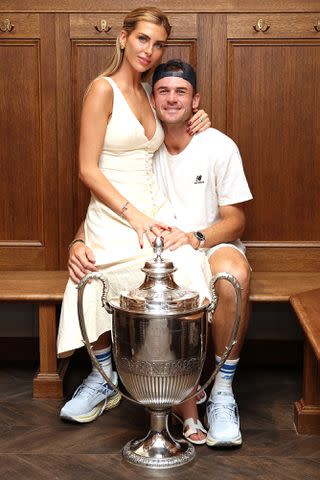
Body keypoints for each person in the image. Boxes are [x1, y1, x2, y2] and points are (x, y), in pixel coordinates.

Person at [67, 59, 253, 448]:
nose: (172, 99)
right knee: (93, 270)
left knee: (231, 276)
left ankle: (220, 393)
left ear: (196, 99)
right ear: (151, 100)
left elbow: (236, 220)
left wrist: (195, 238)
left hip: (206, 242)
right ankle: (115, 381)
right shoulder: (140, 150)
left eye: (181, 92)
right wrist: (78, 242)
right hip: (152, 247)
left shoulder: (218, 144)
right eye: (164, 91)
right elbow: (104, 204)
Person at [58, 8, 211, 445]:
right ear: (124, 38)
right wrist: (127, 218)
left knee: (190, 269)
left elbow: (177, 119)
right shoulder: (101, 91)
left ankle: (178, 388)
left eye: (158, 43)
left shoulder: (148, 93)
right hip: (116, 214)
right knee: (94, 277)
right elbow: (87, 169)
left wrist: (201, 119)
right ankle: (105, 376)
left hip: (155, 212)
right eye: (143, 39)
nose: (149, 50)